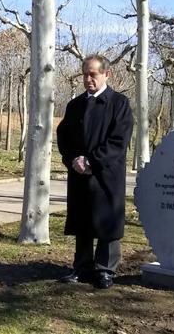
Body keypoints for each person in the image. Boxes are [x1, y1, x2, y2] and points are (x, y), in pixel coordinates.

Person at [56, 55, 133, 289]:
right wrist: (73, 159)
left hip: (106, 174)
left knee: (107, 223)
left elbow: (118, 141)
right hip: (79, 174)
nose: (88, 79)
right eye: (85, 74)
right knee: (83, 221)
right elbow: (64, 137)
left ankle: (105, 270)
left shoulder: (119, 104)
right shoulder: (75, 105)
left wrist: (91, 161)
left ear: (106, 74)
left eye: (93, 74)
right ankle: (82, 267)